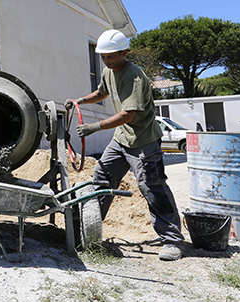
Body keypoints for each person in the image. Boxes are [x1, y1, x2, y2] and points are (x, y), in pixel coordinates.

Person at [66, 29, 185, 261]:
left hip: (143, 141)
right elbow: (102, 92)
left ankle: (172, 240)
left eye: (110, 56)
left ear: (124, 52)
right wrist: (80, 101)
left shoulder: (134, 76)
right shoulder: (108, 71)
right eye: (103, 57)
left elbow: (128, 114)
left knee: (152, 187)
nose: (106, 61)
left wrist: (95, 127)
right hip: (121, 139)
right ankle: (87, 230)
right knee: (102, 176)